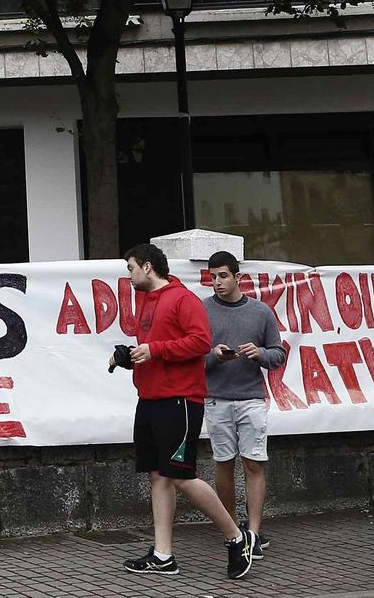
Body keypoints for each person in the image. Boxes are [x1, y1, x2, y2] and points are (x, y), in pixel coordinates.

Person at [109, 242, 254, 581]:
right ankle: (163, 556)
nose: (128, 275)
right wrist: (128, 357)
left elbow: (200, 342)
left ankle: (237, 538)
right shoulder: (146, 301)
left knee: (181, 477)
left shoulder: (182, 299)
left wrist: (155, 350)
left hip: (180, 401)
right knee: (159, 476)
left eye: (131, 268)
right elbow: (157, 351)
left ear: (147, 266)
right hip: (149, 399)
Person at [203, 250, 284, 559]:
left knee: (254, 463)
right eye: (213, 277)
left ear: (238, 277)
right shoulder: (202, 310)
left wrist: (259, 353)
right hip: (217, 398)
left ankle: (253, 532)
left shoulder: (260, 312)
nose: (217, 282)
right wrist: (214, 356)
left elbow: (278, 354)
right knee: (223, 464)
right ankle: (233, 532)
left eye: (223, 276)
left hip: (251, 397)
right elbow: (192, 358)